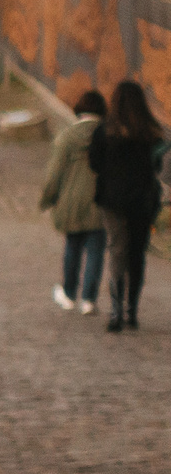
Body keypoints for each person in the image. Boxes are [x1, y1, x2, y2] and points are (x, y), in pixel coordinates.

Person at [88, 79, 165, 333]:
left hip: (112, 200)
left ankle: (116, 311)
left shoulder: (104, 131)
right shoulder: (150, 132)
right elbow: (156, 166)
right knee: (136, 254)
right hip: (142, 200)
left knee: (116, 249)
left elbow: (94, 163)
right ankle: (132, 309)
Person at [40, 90, 109, 316]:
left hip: (71, 202)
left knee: (72, 248)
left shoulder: (67, 137)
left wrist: (47, 198)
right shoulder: (108, 136)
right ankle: (89, 299)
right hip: (100, 202)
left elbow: (54, 173)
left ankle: (69, 293)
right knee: (96, 251)